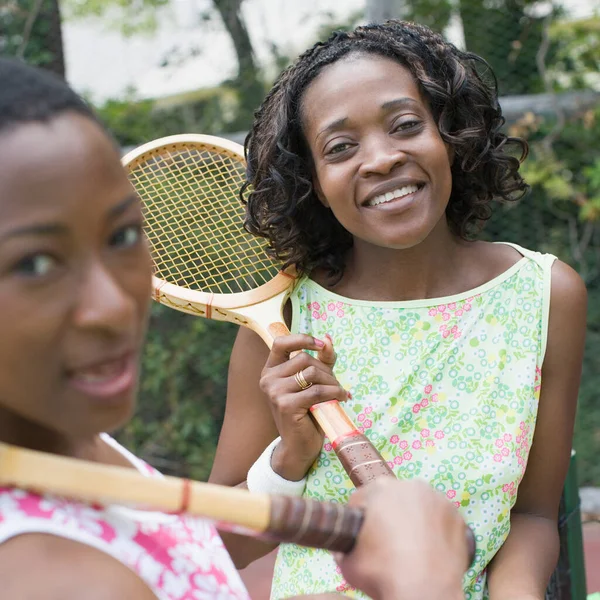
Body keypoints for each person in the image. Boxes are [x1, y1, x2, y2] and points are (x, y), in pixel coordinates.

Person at [0, 57, 474, 600]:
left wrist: (288, 460)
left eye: (122, 236)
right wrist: (423, 584)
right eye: (34, 264)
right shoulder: (45, 575)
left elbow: (191, 570)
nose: (109, 307)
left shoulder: (60, 445)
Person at [208, 19, 588, 600]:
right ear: (312, 181)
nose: (382, 159)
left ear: (451, 135)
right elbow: (219, 547)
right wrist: (289, 457)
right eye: (341, 148)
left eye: (406, 125)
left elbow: (533, 515)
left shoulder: (545, 296)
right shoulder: (283, 324)